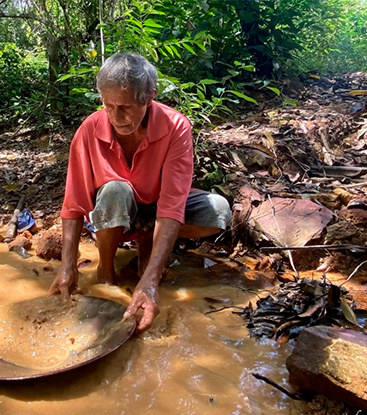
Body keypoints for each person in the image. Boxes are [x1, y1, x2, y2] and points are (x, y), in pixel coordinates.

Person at [49, 53, 231, 332]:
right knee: (114, 190)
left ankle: (147, 251)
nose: (116, 117)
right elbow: (73, 205)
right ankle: (106, 270)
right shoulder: (89, 130)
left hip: (158, 209)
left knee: (217, 210)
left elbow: (171, 206)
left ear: (149, 97)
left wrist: (151, 282)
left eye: (126, 107)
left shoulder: (175, 127)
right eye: (108, 106)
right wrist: (68, 266)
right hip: (118, 211)